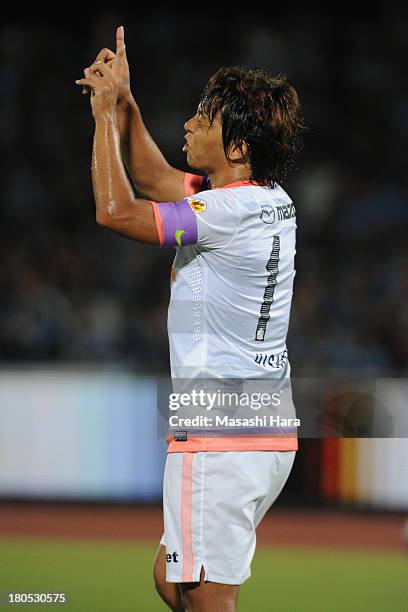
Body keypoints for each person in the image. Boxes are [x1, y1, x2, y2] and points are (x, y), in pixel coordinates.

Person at [76, 24, 305, 612]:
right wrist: (127, 103)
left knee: (205, 599)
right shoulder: (270, 200)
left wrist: (103, 116)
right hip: (266, 422)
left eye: (204, 117)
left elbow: (116, 209)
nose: (189, 123)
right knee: (171, 578)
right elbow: (155, 181)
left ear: (236, 147)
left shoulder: (227, 211)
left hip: (219, 430)